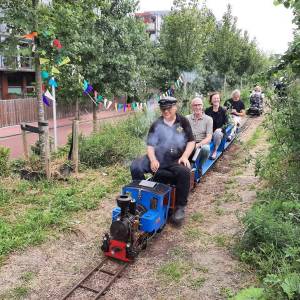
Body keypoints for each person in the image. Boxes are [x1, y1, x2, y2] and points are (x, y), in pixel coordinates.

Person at [130, 96, 195, 225]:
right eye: (163, 109)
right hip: (158, 158)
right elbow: (150, 146)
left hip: (175, 159)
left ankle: (180, 207)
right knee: (135, 166)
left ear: (175, 107)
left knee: (184, 172)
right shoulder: (156, 124)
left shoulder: (183, 122)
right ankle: (142, 196)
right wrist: (153, 159)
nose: (166, 111)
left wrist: (184, 156)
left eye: (169, 108)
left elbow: (191, 141)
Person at [186, 97, 213, 172]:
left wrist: (197, 145)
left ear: (202, 106)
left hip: (201, 143)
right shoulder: (187, 118)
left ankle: (200, 167)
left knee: (206, 149)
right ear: (192, 107)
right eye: (195, 105)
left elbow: (209, 138)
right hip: (189, 142)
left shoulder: (208, 119)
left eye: (199, 105)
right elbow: (180, 130)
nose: (197, 107)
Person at [205, 92, 228, 160]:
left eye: (217, 98)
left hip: (219, 132)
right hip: (209, 132)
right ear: (211, 100)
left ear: (219, 99)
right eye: (214, 98)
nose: (216, 100)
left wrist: (220, 128)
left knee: (217, 133)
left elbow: (226, 123)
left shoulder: (223, 110)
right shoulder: (207, 110)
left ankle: (215, 151)